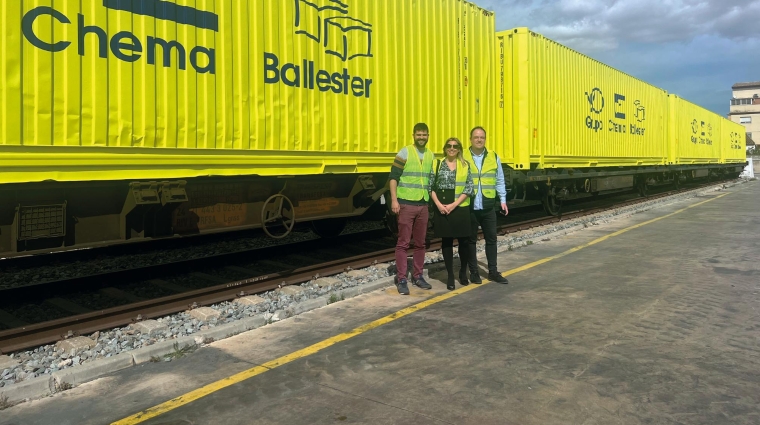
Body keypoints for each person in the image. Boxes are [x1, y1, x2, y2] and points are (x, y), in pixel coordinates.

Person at [388, 123, 435, 295]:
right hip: (406, 203)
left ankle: (418, 276)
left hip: (423, 204)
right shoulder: (405, 152)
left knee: (421, 243)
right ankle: (401, 278)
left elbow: (430, 180)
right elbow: (393, 177)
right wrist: (394, 200)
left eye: (424, 135)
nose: (421, 137)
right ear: (413, 135)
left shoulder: (430, 155)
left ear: (428, 135)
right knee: (403, 243)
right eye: (419, 135)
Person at [463, 126, 510, 284]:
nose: (479, 140)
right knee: (470, 241)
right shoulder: (462, 156)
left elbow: (500, 179)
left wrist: (503, 200)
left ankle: (493, 271)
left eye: (482, 137)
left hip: (488, 205)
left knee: (491, 240)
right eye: (476, 137)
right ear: (470, 139)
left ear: (485, 139)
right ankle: (474, 272)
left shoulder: (493, 156)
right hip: (470, 206)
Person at [430, 137, 474, 290]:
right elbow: (431, 187)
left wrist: (454, 205)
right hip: (442, 205)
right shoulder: (437, 164)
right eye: (449, 145)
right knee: (447, 241)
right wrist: (439, 205)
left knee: (464, 242)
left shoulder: (465, 165)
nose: (452, 148)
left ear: (459, 149)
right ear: (445, 148)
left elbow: (469, 188)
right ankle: (450, 275)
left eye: (455, 146)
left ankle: (462, 272)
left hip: (459, 206)